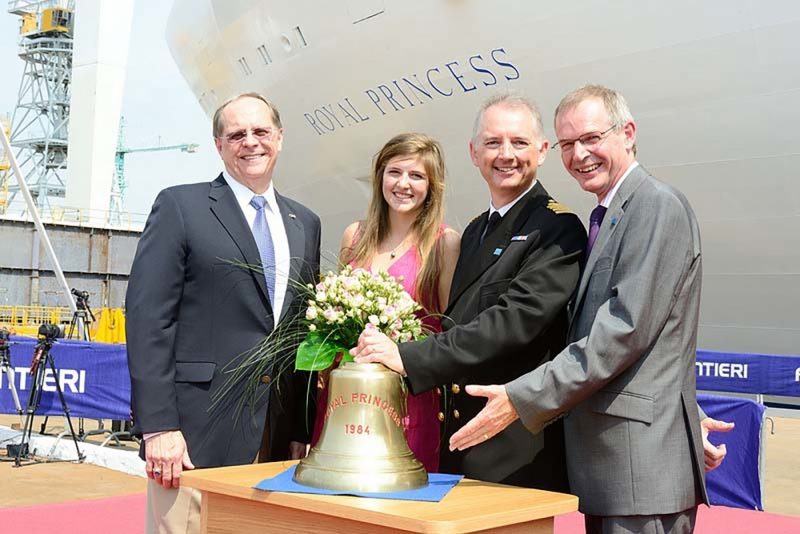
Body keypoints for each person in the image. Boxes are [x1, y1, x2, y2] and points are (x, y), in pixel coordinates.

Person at [449, 84, 734, 533]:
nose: (580, 154)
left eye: (591, 138)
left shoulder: (655, 206)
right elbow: (650, 341)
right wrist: (688, 415)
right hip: (615, 469)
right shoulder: (611, 214)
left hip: (640, 474)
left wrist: (521, 398)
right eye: (568, 143)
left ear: (629, 133)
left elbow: (622, 331)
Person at [352, 94, 586, 491]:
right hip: (458, 443)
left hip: (514, 452)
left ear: (543, 151)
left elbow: (511, 323)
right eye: (493, 143)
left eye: (519, 143)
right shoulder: (477, 230)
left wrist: (406, 356)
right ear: (474, 153)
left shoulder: (556, 229)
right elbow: (454, 320)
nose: (505, 155)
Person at [126, 92, 321, 533]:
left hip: (272, 439)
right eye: (236, 134)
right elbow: (148, 319)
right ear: (219, 145)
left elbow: (299, 335)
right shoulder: (181, 207)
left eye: (260, 131)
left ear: (280, 138)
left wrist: (299, 429)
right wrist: (158, 428)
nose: (250, 142)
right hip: (193, 438)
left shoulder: (304, 222)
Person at [312, 132, 461, 472]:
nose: (403, 184)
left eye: (416, 175)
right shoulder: (356, 236)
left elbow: (446, 328)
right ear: (380, 176)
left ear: (432, 185)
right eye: (395, 172)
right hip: (346, 395)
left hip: (407, 399)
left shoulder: (444, 244)